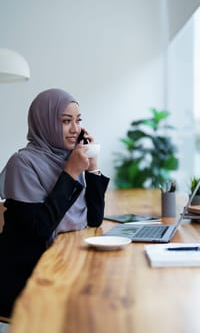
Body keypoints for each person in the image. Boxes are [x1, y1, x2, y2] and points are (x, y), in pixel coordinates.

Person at [0, 88, 110, 319]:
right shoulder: (22, 163)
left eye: (78, 121)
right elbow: (40, 229)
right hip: (25, 275)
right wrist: (70, 173)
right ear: (45, 122)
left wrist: (93, 166)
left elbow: (94, 219)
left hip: (62, 262)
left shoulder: (69, 158)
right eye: (65, 121)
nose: (75, 129)